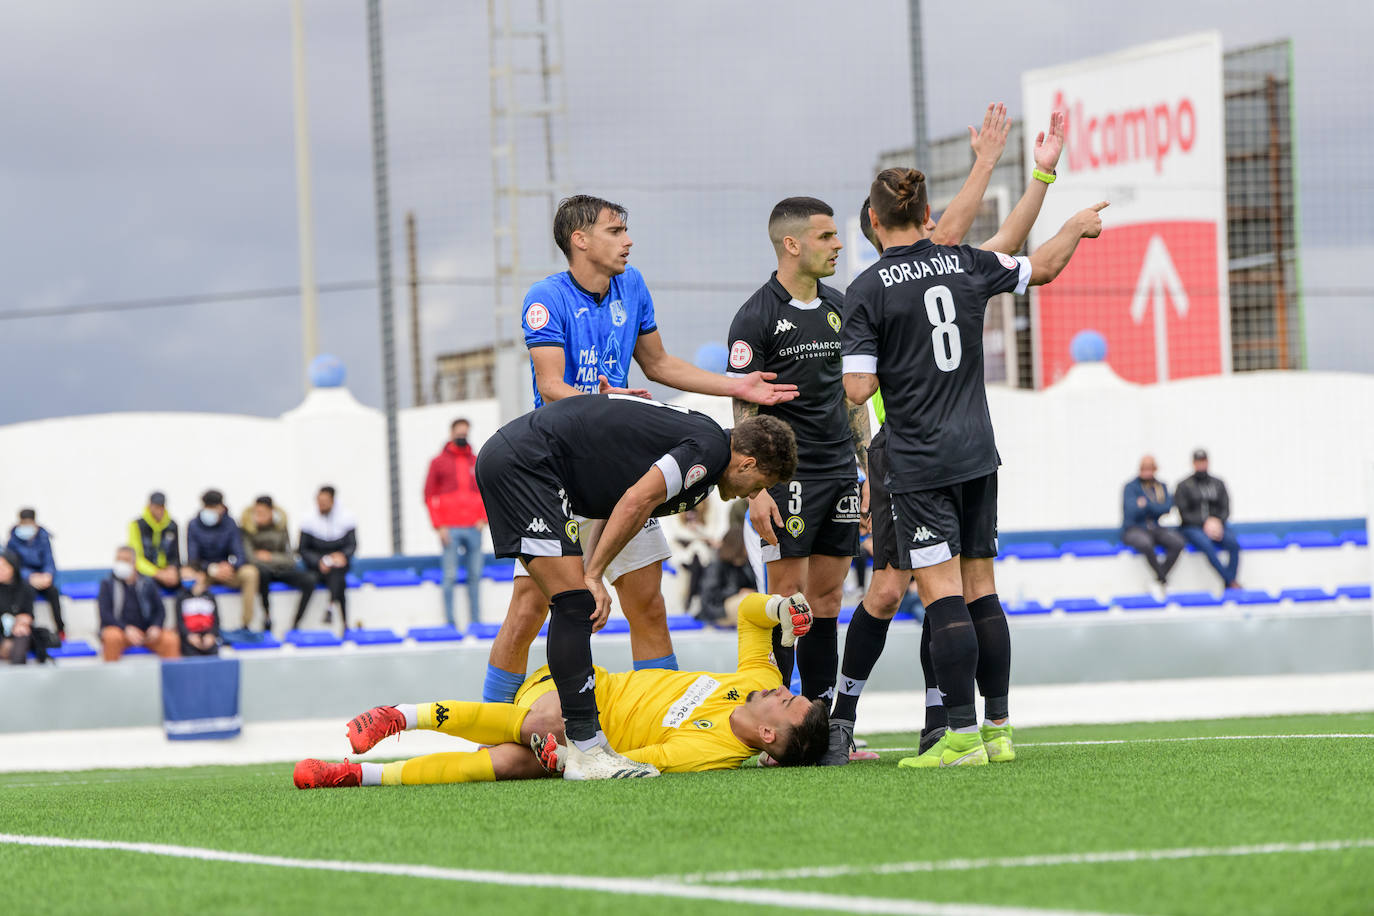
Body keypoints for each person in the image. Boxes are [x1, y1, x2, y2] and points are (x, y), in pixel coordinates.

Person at [483, 193, 796, 707]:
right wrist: (609, 403)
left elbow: (659, 366)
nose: (627, 240)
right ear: (579, 240)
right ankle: (492, 726)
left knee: (647, 603)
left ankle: (660, 718)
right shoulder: (545, 297)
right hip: (561, 468)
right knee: (529, 610)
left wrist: (737, 386)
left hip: (622, 470)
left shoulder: (633, 285)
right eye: (614, 230)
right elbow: (552, 386)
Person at [826, 106, 1070, 764]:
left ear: (872, 222)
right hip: (978, 450)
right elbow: (1035, 266)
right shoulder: (964, 262)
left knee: (940, 594)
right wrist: (1054, 192)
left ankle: (957, 736)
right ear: (925, 214)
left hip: (920, 458)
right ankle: (998, 731)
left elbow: (857, 391)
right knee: (982, 586)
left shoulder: (868, 288)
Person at [472, 392, 797, 779]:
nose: (752, 494)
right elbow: (633, 502)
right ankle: (570, 746)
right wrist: (592, 576)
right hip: (528, 465)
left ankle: (585, 743)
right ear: (748, 463)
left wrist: (594, 571)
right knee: (570, 602)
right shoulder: (709, 451)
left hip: (541, 469)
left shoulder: (706, 456)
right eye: (762, 483)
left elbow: (613, 504)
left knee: (583, 601)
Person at [292, 591, 824, 789]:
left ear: (770, 733)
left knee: (508, 765)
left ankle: (355, 776)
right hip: (567, 688)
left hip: (574, 740)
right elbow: (752, 616)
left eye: (790, 703)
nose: (785, 690)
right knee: (546, 724)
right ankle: (400, 716)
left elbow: (631, 764)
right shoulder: (761, 681)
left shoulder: (711, 757)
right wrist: (781, 609)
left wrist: (567, 762)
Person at [726, 196, 868, 725]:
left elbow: (852, 397)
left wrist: (868, 467)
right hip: (787, 479)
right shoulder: (755, 316)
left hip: (840, 474)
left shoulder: (841, 308)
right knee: (788, 602)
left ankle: (827, 728)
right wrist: (755, 488)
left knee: (828, 600)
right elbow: (743, 407)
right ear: (792, 244)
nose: (836, 245)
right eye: (827, 237)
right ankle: (777, 728)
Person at [424, 418, 487, 628]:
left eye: (465, 433)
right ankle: (450, 623)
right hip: (450, 527)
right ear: (451, 433)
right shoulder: (438, 462)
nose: (462, 437)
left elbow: (488, 491)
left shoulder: (476, 460)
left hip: (473, 527)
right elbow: (429, 495)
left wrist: (483, 518)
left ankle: (476, 622)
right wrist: (439, 525)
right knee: (449, 576)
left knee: (475, 577)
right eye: (459, 433)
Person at [186, 489, 260, 629]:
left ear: (221, 507)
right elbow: (193, 558)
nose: (210, 511)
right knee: (192, 578)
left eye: (213, 508)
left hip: (228, 571)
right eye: (207, 507)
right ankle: (200, 628)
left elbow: (240, 554)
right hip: (205, 572)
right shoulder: (194, 525)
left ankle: (246, 625)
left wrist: (230, 566)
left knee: (250, 573)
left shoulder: (230, 523)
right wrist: (211, 569)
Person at [241, 495, 315, 633]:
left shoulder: (281, 527)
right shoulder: (246, 529)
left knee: (310, 580)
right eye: (256, 512)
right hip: (263, 570)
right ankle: (267, 616)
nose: (258, 516)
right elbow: (250, 557)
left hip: (281, 570)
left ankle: (296, 622)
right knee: (261, 573)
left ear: (271, 512)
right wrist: (270, 560)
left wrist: (269, 557)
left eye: (262, 513)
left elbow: (290, 558)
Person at [98, 546, 180, 661]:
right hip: (121, 631)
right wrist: (126, 629)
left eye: (125, 560)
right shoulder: (107, 584)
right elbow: (105, 614)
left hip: (147, 632)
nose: (121, 564)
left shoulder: (148, 582)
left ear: (134, 563)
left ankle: (172, 676)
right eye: (118, 560)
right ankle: (112, 676)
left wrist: (156, 626)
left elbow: (160, 610)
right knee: (111, 636)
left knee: (170, 639)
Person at [1175, 449, 1241, 589]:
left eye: (1203, 461)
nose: (1201, 465)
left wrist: (1216, 521)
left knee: (1233, 544)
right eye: (1198, 462)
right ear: (1193, 463)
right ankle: (1230, 581)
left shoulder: (1217, 483)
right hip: (1192, 527)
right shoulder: (1184, 486)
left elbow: (1225, 507)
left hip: (1217, 524)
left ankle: (1229, 583)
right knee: (1207, 546)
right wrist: (1204, 523)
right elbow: (1183, 513)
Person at [1122, 455, 1186, 589]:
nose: (1147, 472)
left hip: (1154, 528)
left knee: (1178, 542)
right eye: (1144, 469)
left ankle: (1158, 579)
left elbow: (1167, 507)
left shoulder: (1160, 486)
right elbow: (1131, 511)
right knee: (1146, 544)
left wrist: (1146, 504)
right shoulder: (1131, 487)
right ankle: (1163, 580)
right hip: (1134, 528)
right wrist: (1154, 506)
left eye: (1150, 469)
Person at [298, 486, 356, 633]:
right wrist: (319, 561)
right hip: (316, 566)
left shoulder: (346, 518)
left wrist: (341, 556)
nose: (321, 505)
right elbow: (303, 549)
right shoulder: (308, 520)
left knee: (338, 575)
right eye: (319, 501)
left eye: (325, 501)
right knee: (313, 581)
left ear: (333, 501)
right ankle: (298, 621)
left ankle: (336, 614)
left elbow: (352, 545)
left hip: (338, 566)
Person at [7, 507, 64, 638]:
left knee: (53, 592)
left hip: (43, 577)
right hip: (25, 579)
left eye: (29, 524)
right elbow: (13, 566)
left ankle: (61, 629)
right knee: (27, 593)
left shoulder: (43, 538)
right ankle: (31, 631)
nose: (27, 527)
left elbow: (49, 561)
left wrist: (47, 575)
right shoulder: (12, 541)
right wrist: (29, 577)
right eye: (24, 524)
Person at [697, 515, 756, 628]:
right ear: (738, 545)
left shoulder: (747, 565)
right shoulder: (717, 566)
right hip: (720, 613)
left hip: (739, 606)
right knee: (745, 602)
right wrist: (737, 592)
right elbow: (709, 599)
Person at [129, 491, 182, 591]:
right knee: (147, 584)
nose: (159, 510)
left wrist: (172, 569)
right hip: (147, 572)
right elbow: (137, 558)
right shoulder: (136, 525)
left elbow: (175, 555)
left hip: (167, 571)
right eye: (156, 506)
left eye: (161, 506)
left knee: (184, 580)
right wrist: (156, 573)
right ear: (149, 506)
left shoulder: (172, 525)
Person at [0, 550, 36, 665]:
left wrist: (21, 623)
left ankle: (19, 678)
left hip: (18, 629)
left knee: (21, 635)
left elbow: (28, 614)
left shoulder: (25, 588)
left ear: (13, 568)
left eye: (4, 567)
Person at [175, 587, 221, 656]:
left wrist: (212, 634)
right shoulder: (181, 596)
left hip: (208, 635)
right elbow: (179, 622)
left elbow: (216, 620)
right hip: (189, 636)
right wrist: (189, 635)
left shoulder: (210, 596)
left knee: (213, 652)